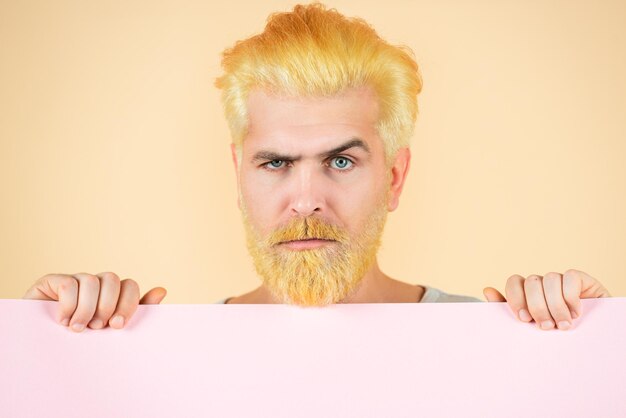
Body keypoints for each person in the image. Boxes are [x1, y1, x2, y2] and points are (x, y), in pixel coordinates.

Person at [23, 3, 611, 333]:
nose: (306, 199)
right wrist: (48, 350)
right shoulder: (160, 352)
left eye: (341, 160)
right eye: (275, 161)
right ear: (238, 176)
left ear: (395, 178)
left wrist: (594, 348)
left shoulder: (495, 343)